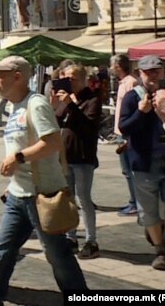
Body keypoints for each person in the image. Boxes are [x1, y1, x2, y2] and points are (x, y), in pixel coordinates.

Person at [0, 56, 87, 305]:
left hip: (42, 196)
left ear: (18, 76)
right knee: (3, 253)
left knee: (58, 256)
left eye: (1, 74)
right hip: (19, 196)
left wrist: (18, 158)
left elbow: (52, 142)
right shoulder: (14, 106)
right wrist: (14, 179)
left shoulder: (35, 104)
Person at [118, 55, 165, 271]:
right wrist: (141, 112)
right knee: (148, 210)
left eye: (157, 70)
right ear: (140, 73)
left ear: (164, 72)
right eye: (148, 71)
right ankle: (159, 250)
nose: (153, 75)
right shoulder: (132, 97)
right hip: (145, 161)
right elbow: (124, 128)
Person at [53, 63, 101, 259]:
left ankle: (91, 240)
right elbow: (56, 121)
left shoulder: (93, 100)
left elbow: (89, 126)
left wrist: (71, 104)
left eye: (72, 79)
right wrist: (56, 104)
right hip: (66, 157)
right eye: (66, 78)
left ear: (83, 80)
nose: (69, 82)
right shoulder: (66, 99)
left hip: (82, 157)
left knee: (83, 198)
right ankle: (71, 236)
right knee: (68, 199)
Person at [111, 54, 140, 216]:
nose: (110, 69)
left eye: (112, 65)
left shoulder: (131, 83)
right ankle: (133, 200)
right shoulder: (122, 83)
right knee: (126, 171)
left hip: (126, 133)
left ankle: (135, 202)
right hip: (120, 132)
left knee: (130, 171)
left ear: (118, 66)